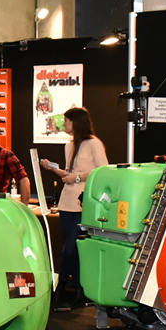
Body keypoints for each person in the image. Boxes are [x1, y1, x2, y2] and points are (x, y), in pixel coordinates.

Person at [40, 107, 108, 310]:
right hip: (66, 203)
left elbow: (102, 171)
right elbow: (69, 174)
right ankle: (77, 290)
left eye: (67, 120)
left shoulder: (94, 143)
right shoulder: (69, 145)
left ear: (76, 122)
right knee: (72, 249)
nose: (64, 124)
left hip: (83, 203)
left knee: (71, 248)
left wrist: (78, 177)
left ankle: (62, 286)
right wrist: (53, 169)